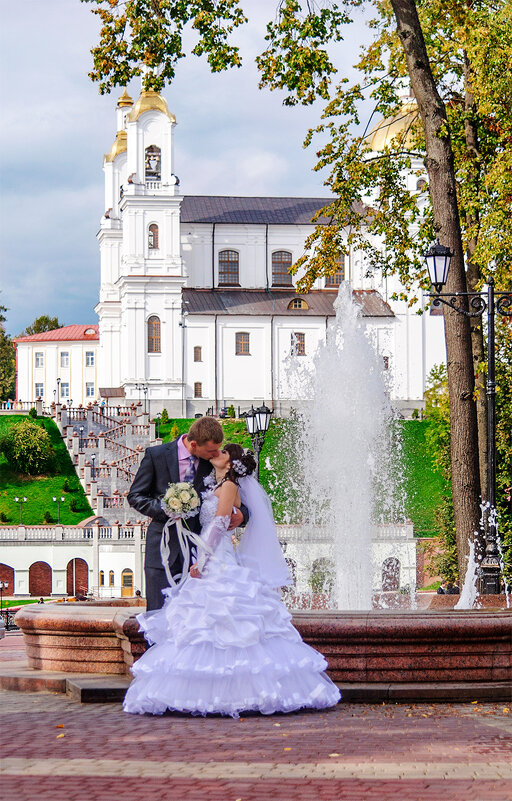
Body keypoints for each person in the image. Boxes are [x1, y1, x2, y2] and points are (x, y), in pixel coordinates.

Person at [123, 443, 340, 718]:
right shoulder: (214, 479)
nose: (215, 454)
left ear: (230, 463)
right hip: (202, 550)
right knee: (202, 623)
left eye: (222, 452)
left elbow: (220, 523)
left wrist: (202, 561)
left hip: (216, 556)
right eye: (215, 450)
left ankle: (226, 692)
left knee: (222, 622)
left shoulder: (227, 486)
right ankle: (202, 690)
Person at [127, 417, 246, 611]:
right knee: (159, 611)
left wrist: (242, 516)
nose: (216, 454)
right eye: (211, 450)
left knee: (192, 618)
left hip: (199, 553)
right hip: (162, 549)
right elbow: (135, 496)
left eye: (218, 449)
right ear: (193, 444)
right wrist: (166, 508)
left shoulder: (212, 464)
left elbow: (236, 499)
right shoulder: (156, 456)